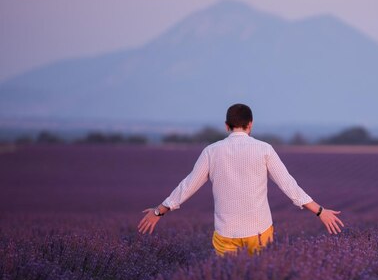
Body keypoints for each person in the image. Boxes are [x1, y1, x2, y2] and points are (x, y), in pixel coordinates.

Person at [137, 103, 344, 256]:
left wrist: (159, 211)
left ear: (227, 126)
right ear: (250, 125)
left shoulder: (211, 151)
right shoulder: (264, 150)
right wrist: (319, 211)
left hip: (226, 233)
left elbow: (188, 185)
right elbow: (289, 185)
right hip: (260, 233)